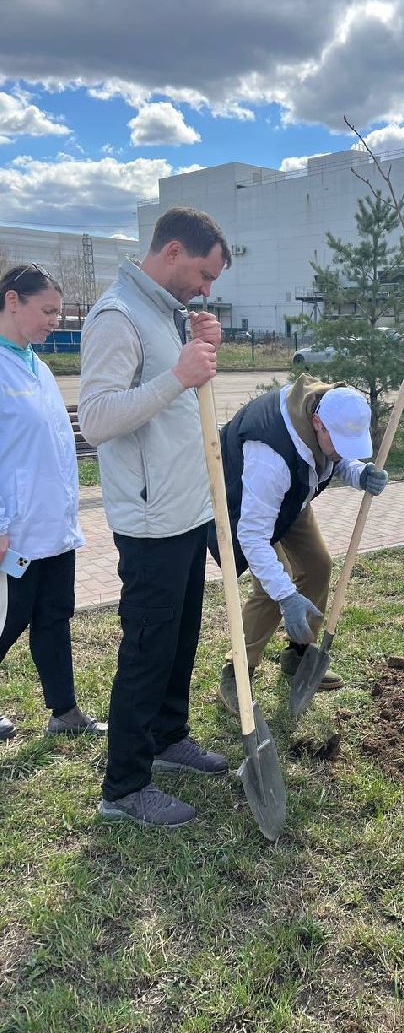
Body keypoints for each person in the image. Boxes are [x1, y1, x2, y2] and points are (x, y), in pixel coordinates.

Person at [79, 207, 231, 828]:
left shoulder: (163, 313)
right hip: (149, 522)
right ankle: (124, 786)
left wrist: (197, 343)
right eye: (202, 273)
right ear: (171, 252)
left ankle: (168, 739)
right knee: (147, 649)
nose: (206, 288)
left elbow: (171, 408)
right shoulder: (116, 316)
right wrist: (178, 375)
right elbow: (97, 420)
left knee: (180, 638)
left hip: (186, 511)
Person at [213, 376, 388, 713]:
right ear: (317, 422)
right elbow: (252, 534)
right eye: (338, 442)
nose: (340, 451)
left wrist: (359, 474)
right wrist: (287, 596)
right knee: (269, 587)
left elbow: (334, 458)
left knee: (318, 566)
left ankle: (297, 655)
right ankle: (237, 671)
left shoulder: (325, 409)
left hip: (291, 498)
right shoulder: (270, 456)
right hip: (245, 500)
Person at [0, 264, 105, 742]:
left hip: (52, 527)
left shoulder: (35, 365)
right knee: (7, 621)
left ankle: (64, 711)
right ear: (12, 301)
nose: (54, 322)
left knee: (54, 618)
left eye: (58, 314)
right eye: (47, 311)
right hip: (13, 532)